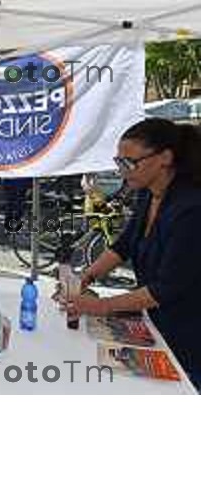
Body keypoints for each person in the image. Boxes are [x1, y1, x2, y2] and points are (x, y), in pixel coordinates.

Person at [73, 119, 201, 389]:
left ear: (165, 158)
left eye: (130, 163)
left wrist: (100, 307)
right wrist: (88, 275)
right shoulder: (148, 193)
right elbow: (125, 244)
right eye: (119, 162)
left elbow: (166, 289)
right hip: (158, 324)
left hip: (189, 335)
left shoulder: (191, 209)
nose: (122, 172)